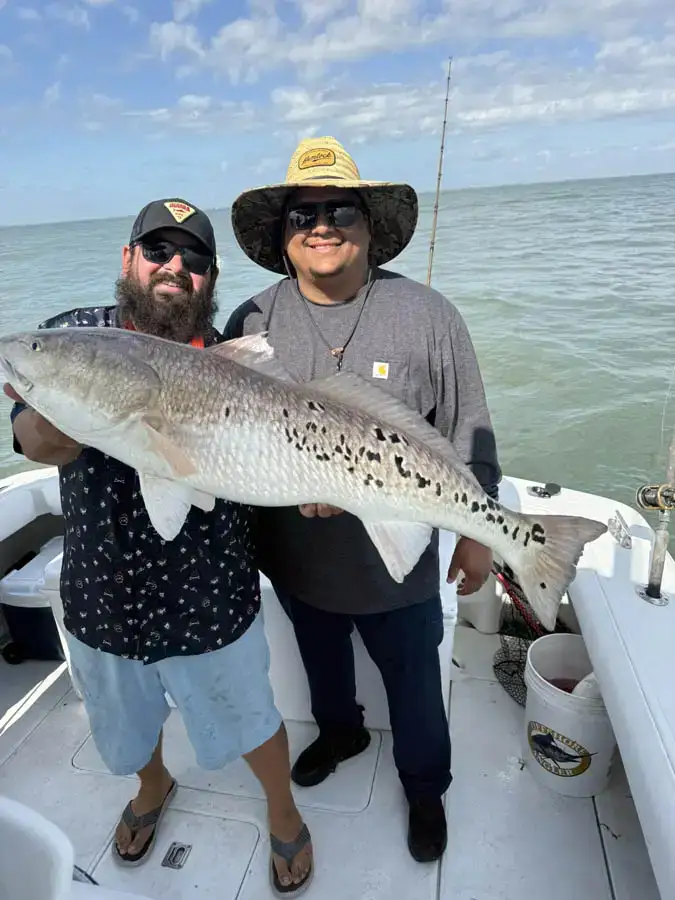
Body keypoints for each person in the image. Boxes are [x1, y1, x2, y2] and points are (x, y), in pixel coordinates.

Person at [4, 198, 313, 897]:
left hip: (211, 598)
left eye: (195, 260)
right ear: (128, 259)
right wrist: (96, 405)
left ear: (209, 278)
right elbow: (31, 436)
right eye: (158, 251)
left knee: (251, 719)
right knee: (126, 723)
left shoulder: (233, 352)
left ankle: (284, 810)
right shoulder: (75, 334)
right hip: (101, 596)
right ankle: (153, 787)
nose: (175, 268)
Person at [224, 137, 502, 864]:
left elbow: (468, 422)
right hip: (293, 558)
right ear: (281, 235)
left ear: (369, 226)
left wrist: (480, 532)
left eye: (339, 208)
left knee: (412, 684)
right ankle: (340, 732)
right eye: (302, 212)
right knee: (322, 667)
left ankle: (423, 787)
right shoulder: (248, 323)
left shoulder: (428, 314)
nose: (321, 224)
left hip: (398, 562)